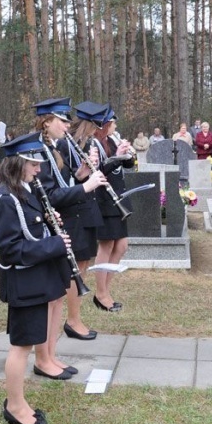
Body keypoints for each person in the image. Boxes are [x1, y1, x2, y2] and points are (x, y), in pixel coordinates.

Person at [0, 132, 70, 424]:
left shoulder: (25, 190)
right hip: (23, 282)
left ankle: (20, 402)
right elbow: (9, 249)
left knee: (28, 342)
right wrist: (54, 245)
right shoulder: (6, 198)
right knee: (22, 347)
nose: (39, 170)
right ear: (17, 164)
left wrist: (51, 224)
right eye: (33, 164)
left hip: (36, 278)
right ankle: (14, 406)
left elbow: (32, 228)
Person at [33, 98, 107, 372]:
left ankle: (50, 356)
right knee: (52, 296)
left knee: (57, 297)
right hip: (49, 228)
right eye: (62, 121)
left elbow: (61, 185)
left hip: (59, 224)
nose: (67, 126)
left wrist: (80, 175)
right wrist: (85, 187)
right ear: (46, 122)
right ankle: (43, 359)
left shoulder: (52, 148)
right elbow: (50, 195)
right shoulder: (39, 151)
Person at [83, 102, 135, 312]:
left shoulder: (112, 139)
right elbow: (97, 171)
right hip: (103, 199)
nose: (115, 125)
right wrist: (116, 157)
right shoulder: (92, 143)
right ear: (103, 124)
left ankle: (105, 289)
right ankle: (101, 293)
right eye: (112, 122)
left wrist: (126, 154)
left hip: (118, 198)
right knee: (106, 245)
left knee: (121, 246)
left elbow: (127, 164)